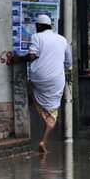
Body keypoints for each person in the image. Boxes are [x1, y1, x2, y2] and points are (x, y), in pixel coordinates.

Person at [26, 14, 71, 154]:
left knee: (33, 99)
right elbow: (68, 62)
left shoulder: (36, 37)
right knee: (53, 114)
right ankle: (42, 141)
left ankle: (30, 130)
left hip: (37, 78)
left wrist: (18, 59)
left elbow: (32, 55)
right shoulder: (62, 40)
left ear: (38, 26)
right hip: (56, 80)